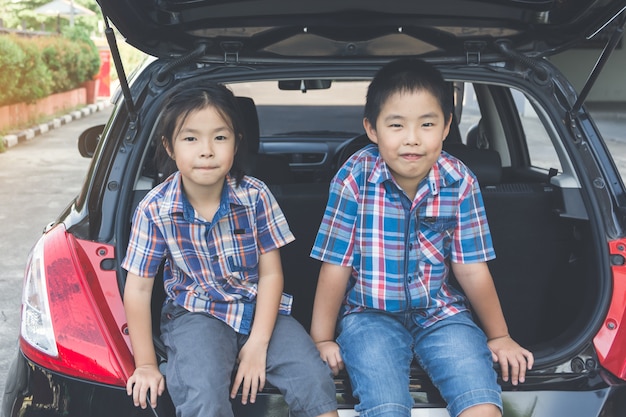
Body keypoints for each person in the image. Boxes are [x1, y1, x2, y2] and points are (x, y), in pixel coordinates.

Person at [309, 58, 534, 417]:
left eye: (427, 124)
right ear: (372, 129)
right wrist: (320, 338)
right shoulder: (354, 178)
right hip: (370, 316)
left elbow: (471, 267)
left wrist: (499, 335)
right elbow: (335, 263)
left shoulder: (459, 180)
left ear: (446, 127)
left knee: (483, 406)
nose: (412, 138)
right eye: (396, 125)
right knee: (386, 408)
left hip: (440, 314)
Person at [121, 82, 338, 417]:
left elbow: (270, 275)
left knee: (314, 380)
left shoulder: (255, 196)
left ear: (237, 143)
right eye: (190, 138)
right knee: (203, 393)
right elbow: (138, 288)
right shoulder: (155, 209)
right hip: (195, 313)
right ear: (169, 145)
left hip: (260, 308)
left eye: (220, 137)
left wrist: (257, 344)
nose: (206, 150)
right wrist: (146, 363)